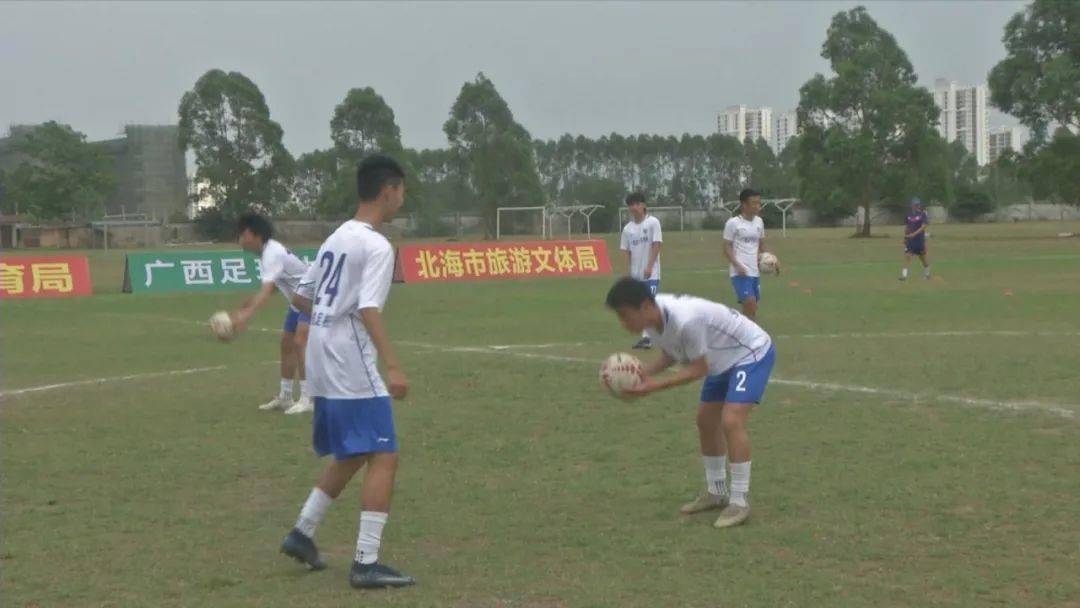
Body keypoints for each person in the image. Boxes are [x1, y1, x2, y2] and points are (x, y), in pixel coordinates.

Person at [280, 154, 414, 589]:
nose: (402, 198)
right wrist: (392, 364)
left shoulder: (336, 236)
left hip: (320, 349)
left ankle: (303, 531)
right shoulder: (376, 246)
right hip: (349, 355)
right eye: (401, 190)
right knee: (385, 453)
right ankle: (366, 562)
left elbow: (302, 297)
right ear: (389, 190)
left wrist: (327, 314)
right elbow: (369, 307)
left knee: (356, 451)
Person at [605, 277, 776, 529]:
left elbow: (698, 369)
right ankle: (716, 492)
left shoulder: (686, 320)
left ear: (644, 307)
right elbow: (672, 353)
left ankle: (739, 501)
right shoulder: (653, 322)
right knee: (706, 421)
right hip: (720, 358)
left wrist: (653, 386)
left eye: (624, 315)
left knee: (731, 420)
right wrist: (644, 373)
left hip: (751, 351)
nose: (623, 323)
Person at [231, 212, 313, 414]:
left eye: (242, 234)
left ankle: (308, 398)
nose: (240, 240)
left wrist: (245, 317)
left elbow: (267, 291)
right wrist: (246, 306)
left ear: (254, 234)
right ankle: (285, 397)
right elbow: (274, 286)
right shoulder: (268, 253)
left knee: (300, 342)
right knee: (287, 343)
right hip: (298, 302)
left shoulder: (272, 253)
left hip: (313, 299)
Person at [722, 188, 778, 320]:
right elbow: (726, 246)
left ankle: (743, 334)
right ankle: (745, 335)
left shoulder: (759, 222)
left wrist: (774, 259)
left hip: (755, 272)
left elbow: (761, 244)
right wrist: (737, 265)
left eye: (759, 203)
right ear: (744, 205)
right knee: (750, 304)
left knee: (751, 311)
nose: (758, 206)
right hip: (740, 273)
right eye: (754, 203)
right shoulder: (733, 223)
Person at [619, 191, 663, 349]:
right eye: (631, 205)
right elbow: (625, 251)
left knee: (648, 304)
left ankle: (648, 338)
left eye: (637, 204)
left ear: (643, 205)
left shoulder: (653, 223)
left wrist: (650, 266)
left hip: (651, 274)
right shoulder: (627, 229)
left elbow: (656, 245)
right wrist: (626, 273)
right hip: (635, 275)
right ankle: (651, 335)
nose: (634, 207)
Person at [901, 198, 931, 280]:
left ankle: (927, 274)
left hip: (919, 240)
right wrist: (905, 237)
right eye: (914, 205)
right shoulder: (908, 215)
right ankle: (904, 276)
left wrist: (914, 234)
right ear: (912, 205)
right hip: (910, 240)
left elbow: (924, 226)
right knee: (908, 256)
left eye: (917, 205)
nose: (916, 206)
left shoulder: (922, 214)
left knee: (923, 258)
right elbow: (907, 227)